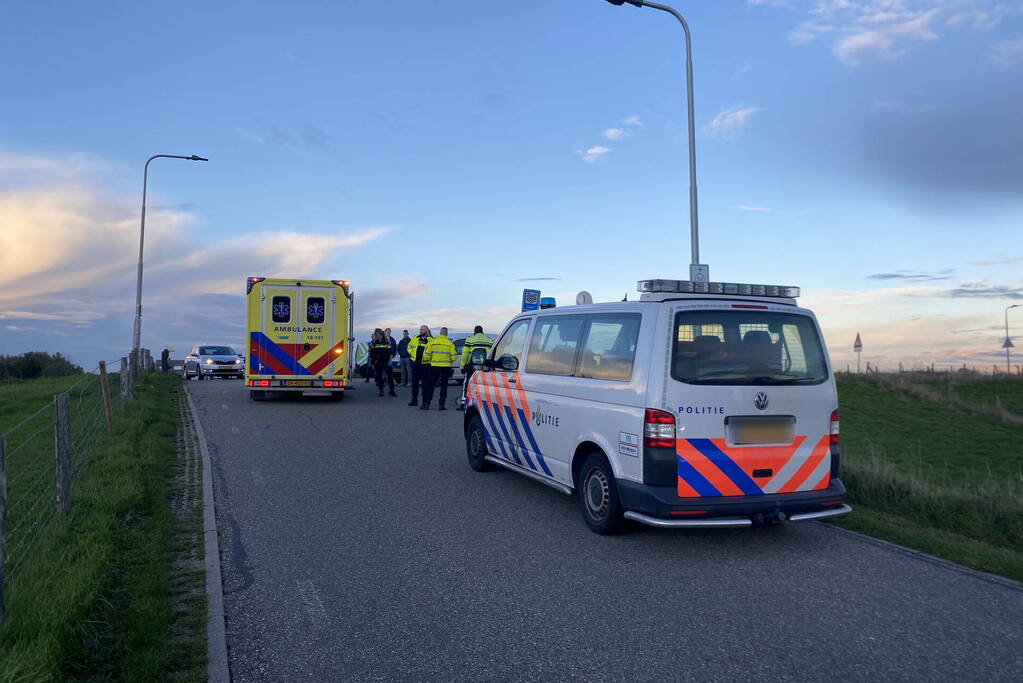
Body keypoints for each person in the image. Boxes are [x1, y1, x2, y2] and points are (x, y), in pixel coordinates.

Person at [457, 326, 493, 410]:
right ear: (482, 331)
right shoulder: (489, 340)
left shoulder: (470, 339)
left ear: (474, 332)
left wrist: (462, 367)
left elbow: (464, 354)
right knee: (484, 385)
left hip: (471, 366)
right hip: (484, 366)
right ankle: (484, 405)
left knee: (467, 384)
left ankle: (463, 403)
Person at [420, 326, 456, 410]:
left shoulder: (433, 342)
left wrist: (429, 359)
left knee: (431, 385)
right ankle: (441, 405)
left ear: (440, 333)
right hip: (446, 367)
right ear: (446, 334)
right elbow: (454, 357)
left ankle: (427, 404)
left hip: (434, 366)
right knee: (444, 386)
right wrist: (449, 360)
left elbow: (426, 355)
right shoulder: (449, 343)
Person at [406, 325, 432, 406]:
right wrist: (411, 353)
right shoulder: (415, 338)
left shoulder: (431, 340)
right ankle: (414, 400)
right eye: (420, 329)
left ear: (427, 330)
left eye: (423, 329)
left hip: (426, 364)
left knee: (425, 384)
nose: (421, 331)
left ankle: (424, 401)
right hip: (415, 363)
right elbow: (409, 347)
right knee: (415, 383)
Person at [369, 328, 397, 397]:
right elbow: (372, 353)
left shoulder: (387, 342)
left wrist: (390, 361)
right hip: (378, 362)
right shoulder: (374, 343)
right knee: (379, 377)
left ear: (381, 335)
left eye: (377, 335)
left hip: (387, 361)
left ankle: (391, 390)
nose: (376, 336)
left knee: (390, 376)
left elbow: (391, 352)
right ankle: (381, 390)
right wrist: (372, 362)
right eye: (375, 335)